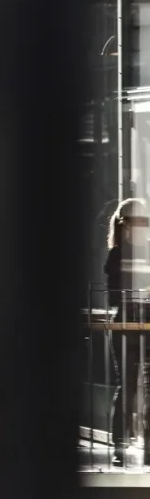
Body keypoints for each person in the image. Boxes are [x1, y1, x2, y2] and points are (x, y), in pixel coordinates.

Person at [105, 198, 150, 466]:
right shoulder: (117, 255)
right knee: (128, 387)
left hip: (145, 325)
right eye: (139, 222)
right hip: (126, 327)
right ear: (126, 225)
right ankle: (120, 447)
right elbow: (114, 297)